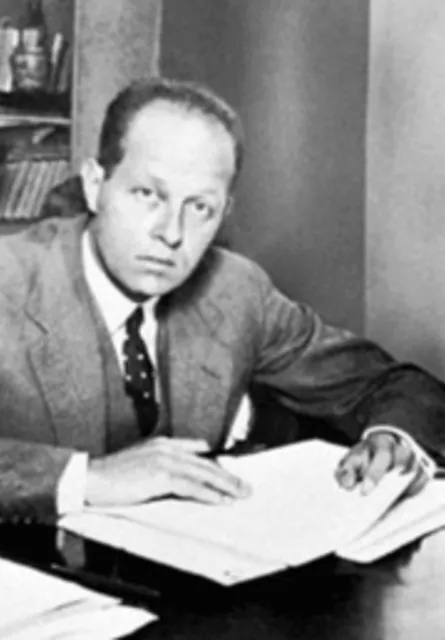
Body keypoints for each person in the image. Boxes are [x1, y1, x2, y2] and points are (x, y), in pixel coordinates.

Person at [0, 76, 444, 527]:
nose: (172, 233)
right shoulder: (10, 281)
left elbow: (393, 385)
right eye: (147, 194)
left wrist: (392, 438)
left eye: (200, 208)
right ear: (95, 184)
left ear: (224, 213)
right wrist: (87, 478)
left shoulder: (235, 291)